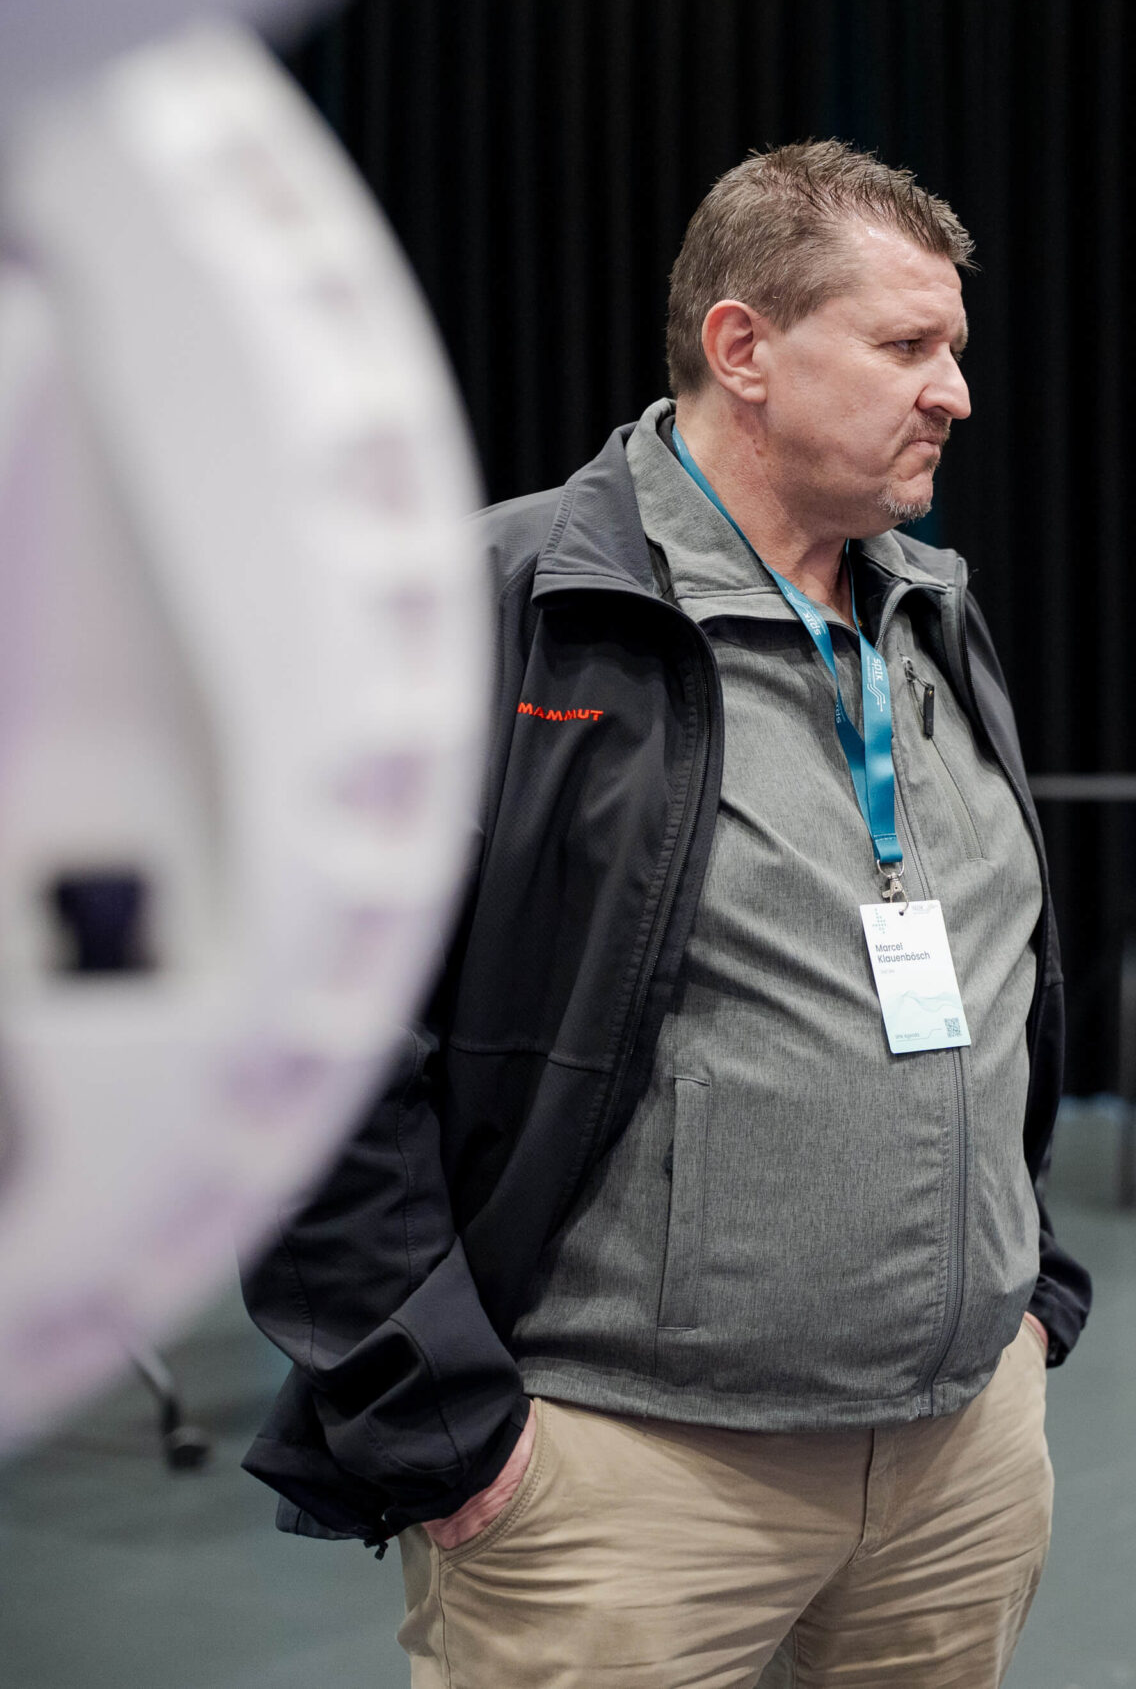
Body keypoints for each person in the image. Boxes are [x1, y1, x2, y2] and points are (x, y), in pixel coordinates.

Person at [241, 141, 1089, 1689]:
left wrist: (1031, 1292)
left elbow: (994, 972)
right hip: (624, 1484)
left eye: (955, 347)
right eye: (909, 345)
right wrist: (442, 1420)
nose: (956, 392)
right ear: (743, 348)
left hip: (958, 1459)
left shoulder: (928, 609)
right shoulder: (495, 611)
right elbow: (303, 1051)